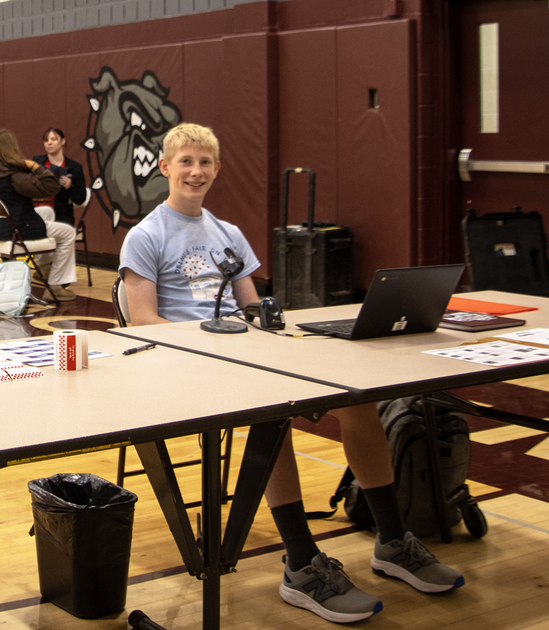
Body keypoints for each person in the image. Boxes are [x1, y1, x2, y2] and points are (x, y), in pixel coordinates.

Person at [119, 123, 464, 624]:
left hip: (244, 354)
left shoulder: (228, 234)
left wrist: (278, 332)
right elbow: (142, 320)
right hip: (184, 363)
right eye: (186, 161)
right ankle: (301, 563)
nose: (196, 171)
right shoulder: (145, 235)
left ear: (217, 169)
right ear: (165, 167)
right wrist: (213, 339)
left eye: (205, 162)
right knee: (273, 414)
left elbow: (253, 309)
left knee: (358, 400)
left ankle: (393, 541)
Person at [0, 128, 78, 302]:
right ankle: (55, 286)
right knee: (69, 232)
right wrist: (35, 166)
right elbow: (52, 186)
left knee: (46, 211)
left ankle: (44, 267)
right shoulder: (13, 173)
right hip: (16, 230)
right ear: (13, 145)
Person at [32, 127, 88, 227]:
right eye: (46, 140)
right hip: (36, 213)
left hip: (61, 216)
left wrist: (70, 187)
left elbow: (81, 199)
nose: (49, 143)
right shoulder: (37, 163)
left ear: (63, 141)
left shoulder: (74, 167)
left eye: (53, 139)